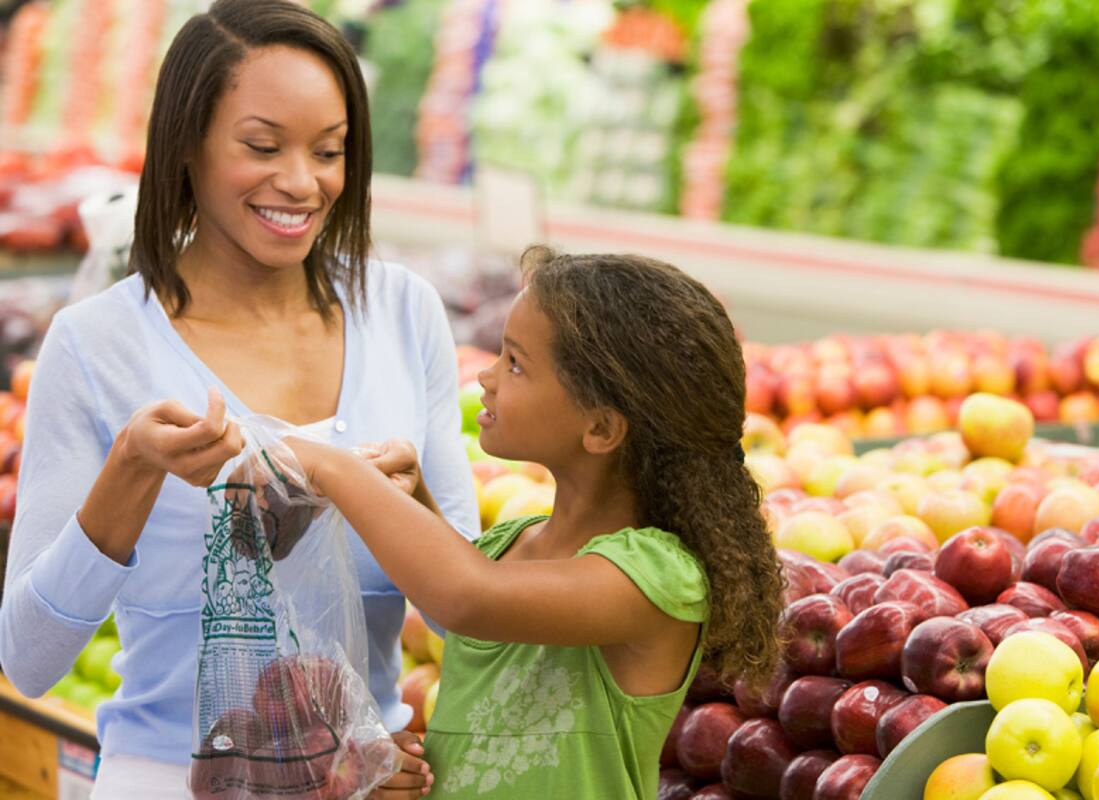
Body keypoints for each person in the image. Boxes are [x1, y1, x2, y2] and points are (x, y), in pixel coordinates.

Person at [0, 1, 478, 797]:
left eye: (330, 152)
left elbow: (470, 620)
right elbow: (29, 658)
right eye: (262, 146)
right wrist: (132, 468)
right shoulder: (98, 344)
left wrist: (411, 501)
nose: (303, 182)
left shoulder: (403, 312)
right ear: (187, 144)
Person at [285, 247, 786, 798]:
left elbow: (467, 598)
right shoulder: (509, 543)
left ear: (600, 428)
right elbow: (469, 614)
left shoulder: (658, 578)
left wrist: (328, 463)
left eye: (516, 363)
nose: (487, 376)